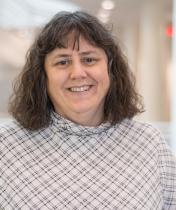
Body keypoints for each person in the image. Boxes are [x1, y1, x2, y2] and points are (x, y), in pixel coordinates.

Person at [0, 11, 176, 210]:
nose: (77, 73)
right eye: (63, 62)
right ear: (43, 76)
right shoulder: (6, 147)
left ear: (110, 69)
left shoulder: (148, 144)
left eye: (89, 59)